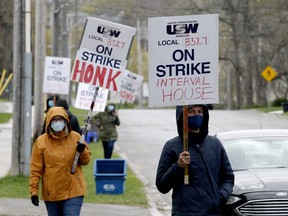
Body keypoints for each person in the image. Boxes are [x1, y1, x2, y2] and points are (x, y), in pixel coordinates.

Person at [156, 104, 234, 216]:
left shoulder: (215, 144)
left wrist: (220, 197)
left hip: (212, 212)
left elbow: (228, 177)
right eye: (191, 112)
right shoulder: (172, 146)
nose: (196, 115)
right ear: (183, 115)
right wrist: (177, 167)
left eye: (199, 111)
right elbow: (161, 185)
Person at [29, 106, 91, 216]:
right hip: (52, 193)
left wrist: (83, 151)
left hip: (74, 190)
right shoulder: (41, 142)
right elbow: (35, 168)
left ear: (66, 121)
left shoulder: (76, 137)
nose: (58, 122)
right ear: (49, 122)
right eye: (54, 120)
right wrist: (34, 191)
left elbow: (86, 161)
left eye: (60, 119)